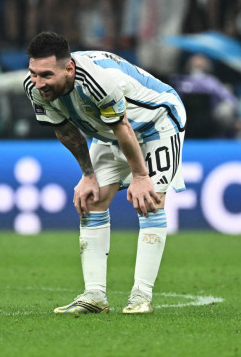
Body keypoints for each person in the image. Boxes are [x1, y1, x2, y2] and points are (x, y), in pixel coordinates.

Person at [24, 31, 186, 314]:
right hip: (111, 131)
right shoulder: (35, 88)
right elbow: (65, 130)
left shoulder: (98, 81)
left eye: (46, 75)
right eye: (34, 73)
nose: (39, 83)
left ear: (69, 68)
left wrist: (139, 177)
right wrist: (87, 175)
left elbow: (124, 126)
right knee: (91, 200)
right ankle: (95, 295)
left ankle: (140, 296)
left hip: (157, 123)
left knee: (150, 201)